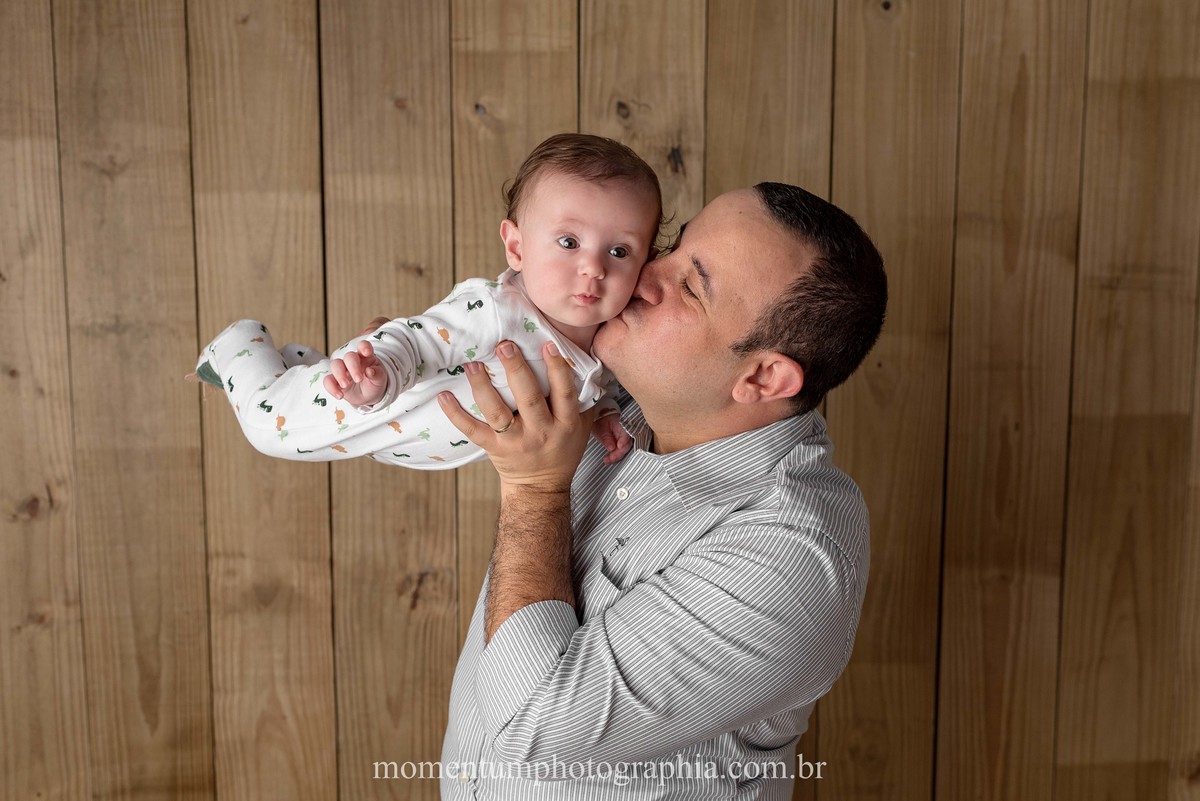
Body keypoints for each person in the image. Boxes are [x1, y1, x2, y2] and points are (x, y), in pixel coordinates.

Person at [430, 182, 887, 799]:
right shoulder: (612, 389)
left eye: (691, 287)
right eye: (673, 245)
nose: (642, 274)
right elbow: (502, 313)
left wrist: (536, 491)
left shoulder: (794, 555)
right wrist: (416, 352)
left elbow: (532, 739)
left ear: (762, 376)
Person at [192, 133, 662, 468]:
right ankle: (240, 344)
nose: (594, 268)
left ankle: (303, 363)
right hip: (378, 397)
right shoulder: (495, 312)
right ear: (516, 247)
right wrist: (381, 373)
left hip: (397, 436)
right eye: (568, 243)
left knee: (346, 425)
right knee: (267, 430)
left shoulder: (609, 342)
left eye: (619, 251)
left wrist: (603, 416)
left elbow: (592, 389)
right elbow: (416, 341)